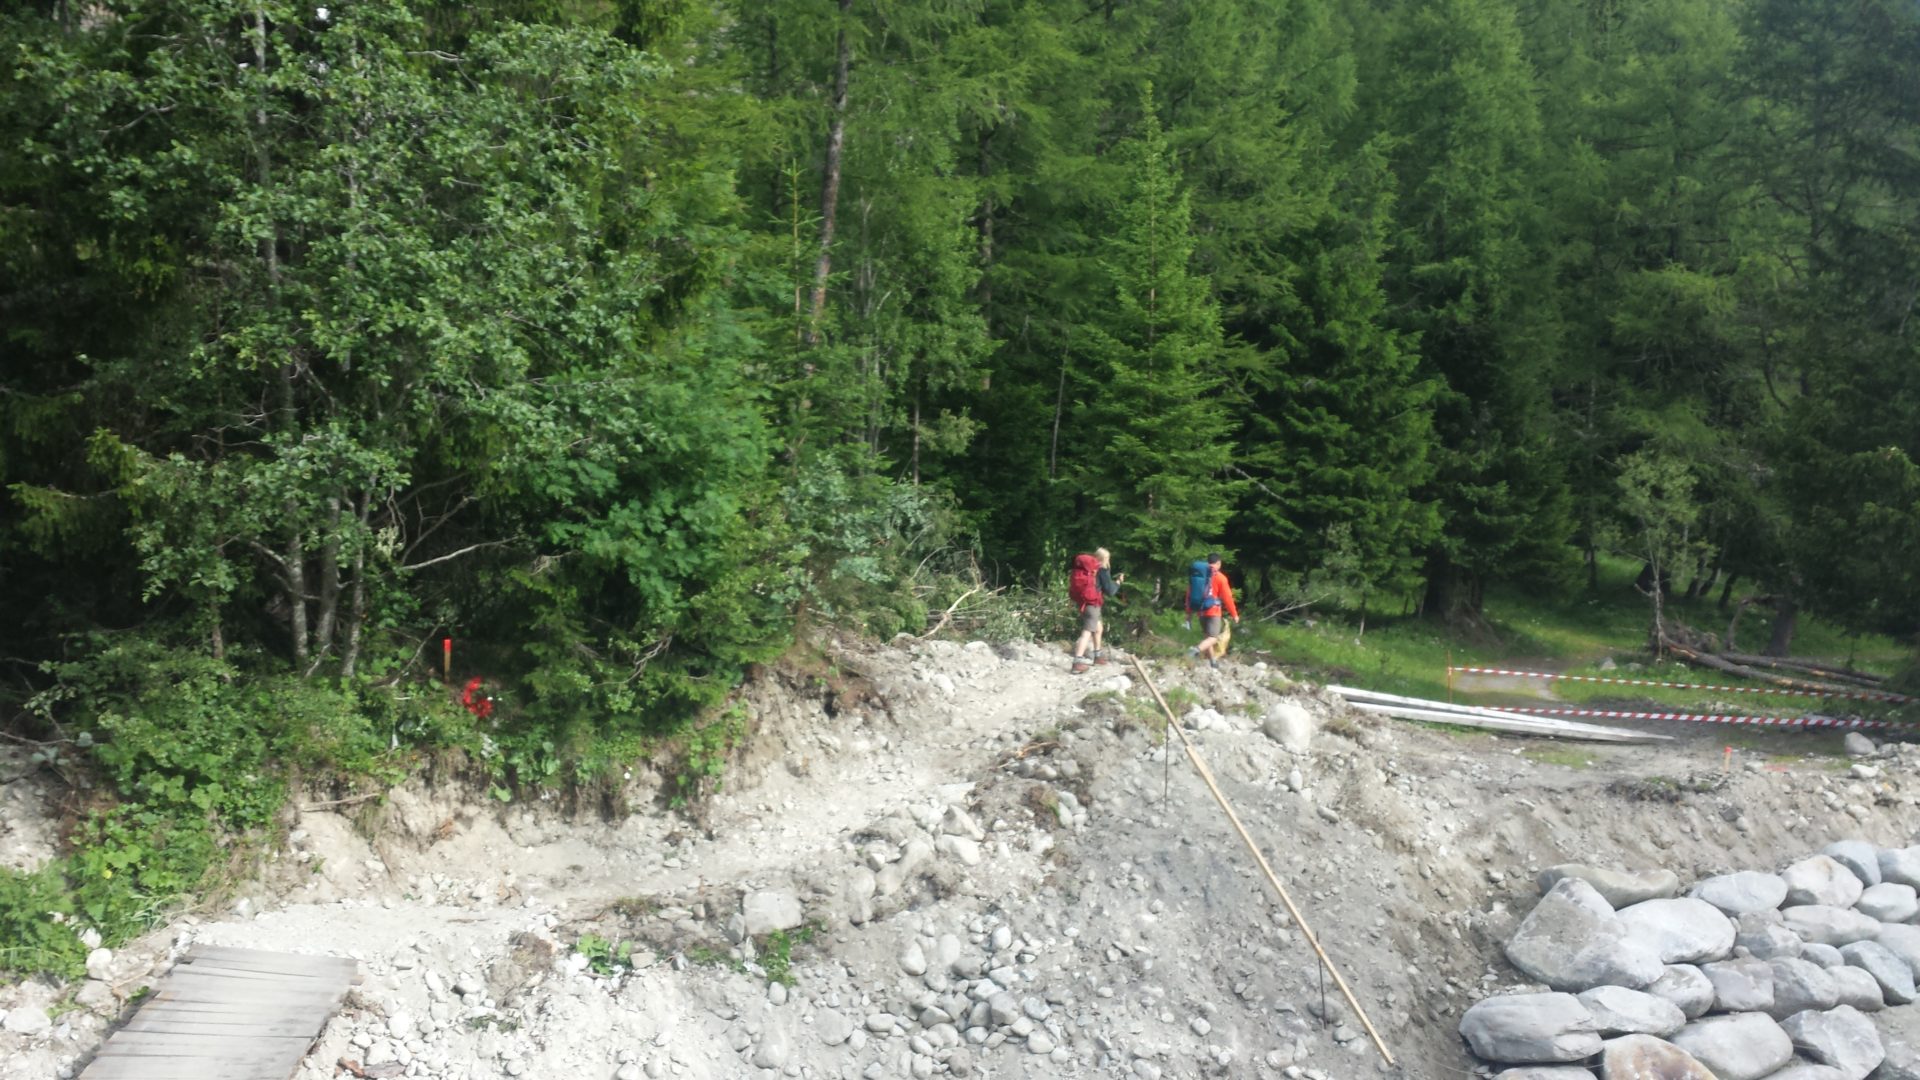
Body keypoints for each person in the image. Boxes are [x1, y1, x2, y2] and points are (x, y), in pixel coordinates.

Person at [1069, 548, 1124, 673]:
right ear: (1105, 558)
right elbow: (1110, 591)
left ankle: (1097, 656)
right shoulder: (1101, 570)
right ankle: (1077, 662)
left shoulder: (1088, 568)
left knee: (1098, 628)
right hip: (1092, 604)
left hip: (1083, 602)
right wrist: (1118, 582)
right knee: (1087, 632)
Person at [1185, 553, 1239, 668]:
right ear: (1218, 563)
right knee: (1213, 638)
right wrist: (1234, 614)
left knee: (1207, 637)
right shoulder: (1220, 577)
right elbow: (1227, 598)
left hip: (1201, 611)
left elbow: (1189, 594)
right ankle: (1195, 650)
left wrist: (1188, 613)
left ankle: (1213, 662)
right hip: (1213, 611)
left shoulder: (1199, 576)